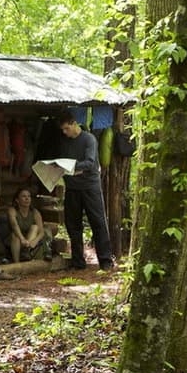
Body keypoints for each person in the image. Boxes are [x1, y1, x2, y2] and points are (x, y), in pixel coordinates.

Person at [55, 109, 114, 270]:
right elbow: (63, 161)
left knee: (98, 222)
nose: (65, 132)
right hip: (72, 187)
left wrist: (72, 167)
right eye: (63, 130)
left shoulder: (89, 139)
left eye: (67, 128)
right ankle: (78, 261)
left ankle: (105, 260)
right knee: (73, 225)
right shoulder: (65, 141)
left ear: (74, 124)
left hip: (90, 187)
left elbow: (89, 163)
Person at [5, 188, 53, 263]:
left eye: (29, 196)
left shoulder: (35, 212)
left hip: (29, 241)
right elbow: (14, 225)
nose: (27, 199)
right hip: (16, 241)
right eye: (24, 196)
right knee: (15, 236)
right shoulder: (12, 210)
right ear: (17, 200)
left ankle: (26, 252)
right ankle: (17, 263)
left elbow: (41, 232)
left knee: (35, 227)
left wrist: (34, 241)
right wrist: (22, 239)